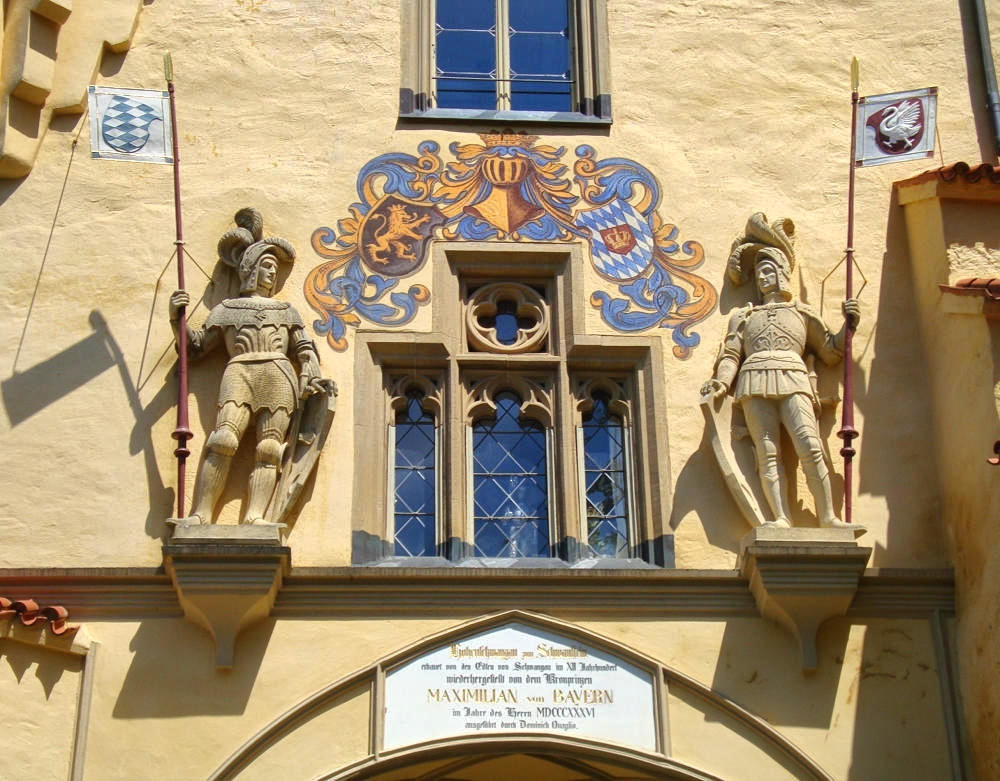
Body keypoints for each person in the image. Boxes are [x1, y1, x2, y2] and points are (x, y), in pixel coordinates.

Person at [169, 213, 330, 525]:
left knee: (270, 448)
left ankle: (255, 517)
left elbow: (304, 348)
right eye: (266, 267)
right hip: (240, 370)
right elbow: (196, 348)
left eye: (274, 268)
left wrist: (311, 371)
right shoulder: (226, 310)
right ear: (250, 271)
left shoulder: (286, 311)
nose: (271, 273)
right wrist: (178, 321)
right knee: (222, 440)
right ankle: (201, 515)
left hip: (278, 374)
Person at [701, 231, 860, 529]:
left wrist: (849, 325)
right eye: (758, 273)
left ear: (781, 274)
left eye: (767, 271)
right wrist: (721, 383)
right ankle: (779, 517)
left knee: (810, 446)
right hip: (754, 380)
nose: (761, 278)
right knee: (767, 452)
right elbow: (732, 354)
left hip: (793, 377)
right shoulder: (744, 317)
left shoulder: (801, 313)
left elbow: (830, 351)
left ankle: (828, 517)